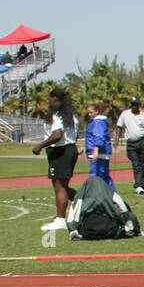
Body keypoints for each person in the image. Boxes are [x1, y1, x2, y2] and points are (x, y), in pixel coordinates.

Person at [31, 88, 79, 231]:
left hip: (61, 151)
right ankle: (85, 202)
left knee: (59, 187)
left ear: (56, 100)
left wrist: (40, 146)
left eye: (50, 100)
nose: (49, 103)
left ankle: (60, 220)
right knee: (63, 186)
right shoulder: (70, 115)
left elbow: (57, 134)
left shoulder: (57, 115)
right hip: (69, 149)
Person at [117, 97, 144, 194]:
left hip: (142, 142)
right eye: (132, 104)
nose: (133, 106)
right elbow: (119, 126)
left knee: (143, 164)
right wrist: (117, 139)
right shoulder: (125, 114)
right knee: (136, 164)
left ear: (138, 105)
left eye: (135, 104)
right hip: (131, 143)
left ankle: (141, 185)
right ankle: (138, 185)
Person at [83, 103, 115, 192]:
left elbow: (98, 136)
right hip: (102, 153)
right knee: (105, 177)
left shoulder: (98, 122)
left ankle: (97, 196)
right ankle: (113, 196)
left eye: (91, 112)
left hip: (99, 154)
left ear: (97, 111)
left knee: (96, 177)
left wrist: (95, 150)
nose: (89, 115)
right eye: (88, 113)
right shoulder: (98, 122)